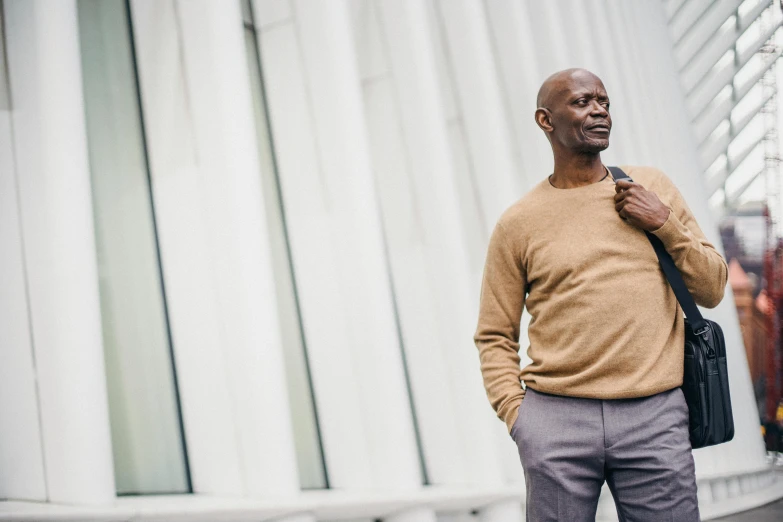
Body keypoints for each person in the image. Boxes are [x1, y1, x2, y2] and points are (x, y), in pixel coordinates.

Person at [473, 68, 728, 521]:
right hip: (554, 419)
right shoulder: (519, 223)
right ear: (545, 120)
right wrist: (520, 418)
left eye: (604, 101)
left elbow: (712, 289)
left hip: (655, 413)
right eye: (582, 102)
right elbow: (494, 334)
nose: (599, 111)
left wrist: (665, 224)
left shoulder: (652, 187)